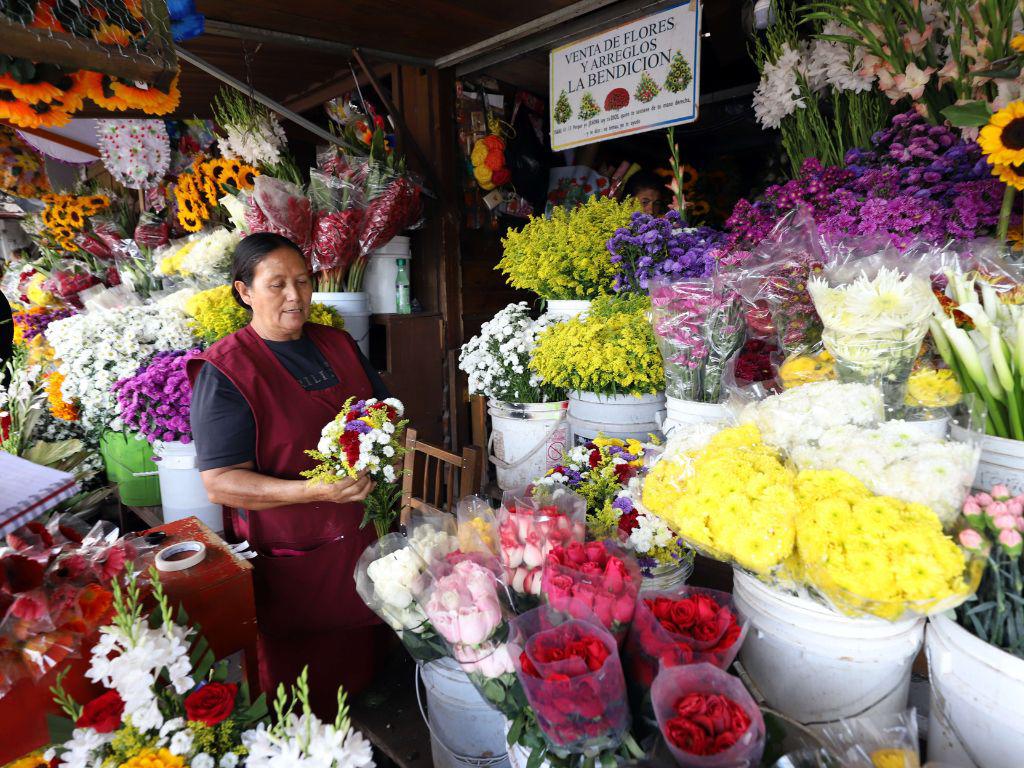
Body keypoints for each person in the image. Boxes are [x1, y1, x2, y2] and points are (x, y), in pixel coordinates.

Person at [187, 232, 389, 717]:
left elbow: (384, 413)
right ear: (244, 292)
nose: (295, 296)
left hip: (363, 535)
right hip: (295, 553)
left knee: (370, 661)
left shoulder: (336, 343)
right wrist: (314, 490)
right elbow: (220, 481)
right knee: (306, 694)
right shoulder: (228, 369)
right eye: (276, 284)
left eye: (302, 281)